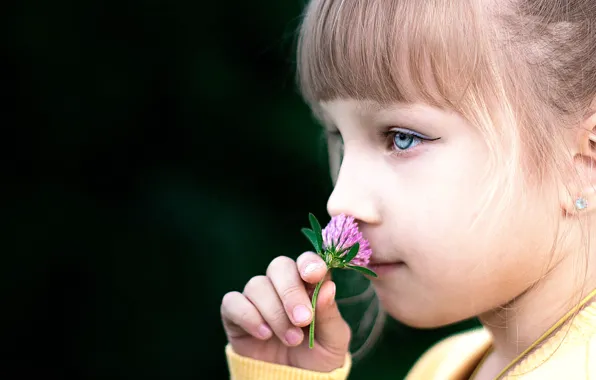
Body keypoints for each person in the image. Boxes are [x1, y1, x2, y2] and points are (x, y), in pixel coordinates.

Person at [220, 0, 596, 378]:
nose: (340, 202)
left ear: (585, 163)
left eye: (402, 138)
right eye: (337, 136)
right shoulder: (445, 364)